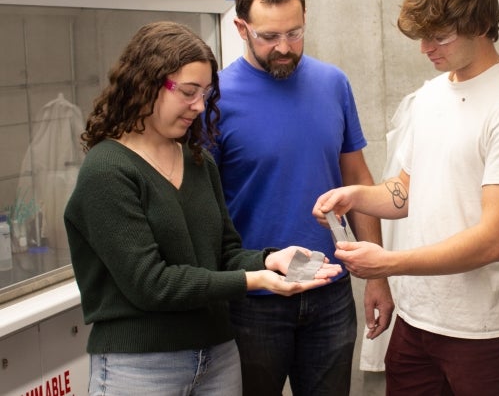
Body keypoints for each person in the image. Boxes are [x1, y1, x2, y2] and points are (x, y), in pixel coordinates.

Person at [313, 0, 499, 396]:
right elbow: (405, 192)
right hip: (415, 323)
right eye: (421, 36)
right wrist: (356, 196)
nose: (425, 48)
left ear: (481, 23)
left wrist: (388, 263)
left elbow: (492, 241)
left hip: (486, 333)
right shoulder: (428, 97)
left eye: (438, 36)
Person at [64, 21, 341, 396]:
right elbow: (151, 284)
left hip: (218, 357)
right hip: (141, 367)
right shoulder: (108, 170)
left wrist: (269, 261)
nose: (199, 106)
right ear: (145, 84)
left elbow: (223, 254)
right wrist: (254, 280)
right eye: (188, 92)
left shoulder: (198, 161)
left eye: (205, 93)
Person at [211, 0, 394, 396]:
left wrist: (378, 277)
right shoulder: (213, 99)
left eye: (295, 33)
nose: (284, 48)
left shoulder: (333, 83)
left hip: (330, 293)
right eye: (269, 36)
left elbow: (359, 180)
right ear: (241, 27)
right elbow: (203, 208)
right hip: (253, 301)